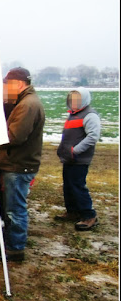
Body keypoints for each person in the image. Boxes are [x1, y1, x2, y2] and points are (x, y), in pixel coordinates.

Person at [0, 67, 45, 262]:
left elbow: (15, 136)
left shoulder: (27, 105)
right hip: (16, 163)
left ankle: (15, 249)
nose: (6, 88)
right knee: (13, 207)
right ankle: (11, 242)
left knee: (15, 209)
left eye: (8, 84)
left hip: (19, 164)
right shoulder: (26, 102)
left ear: (19, 84)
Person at [54, 88, 100, 230]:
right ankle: (72, 212)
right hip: (69, 158)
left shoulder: (90, 116)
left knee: (78, 186)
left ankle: (89, 216)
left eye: (77, 99)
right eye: (72, 99)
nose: (74, 102)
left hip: (79, 159)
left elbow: (93, 136)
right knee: (68, 186)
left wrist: (76, 151)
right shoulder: (73, 115)